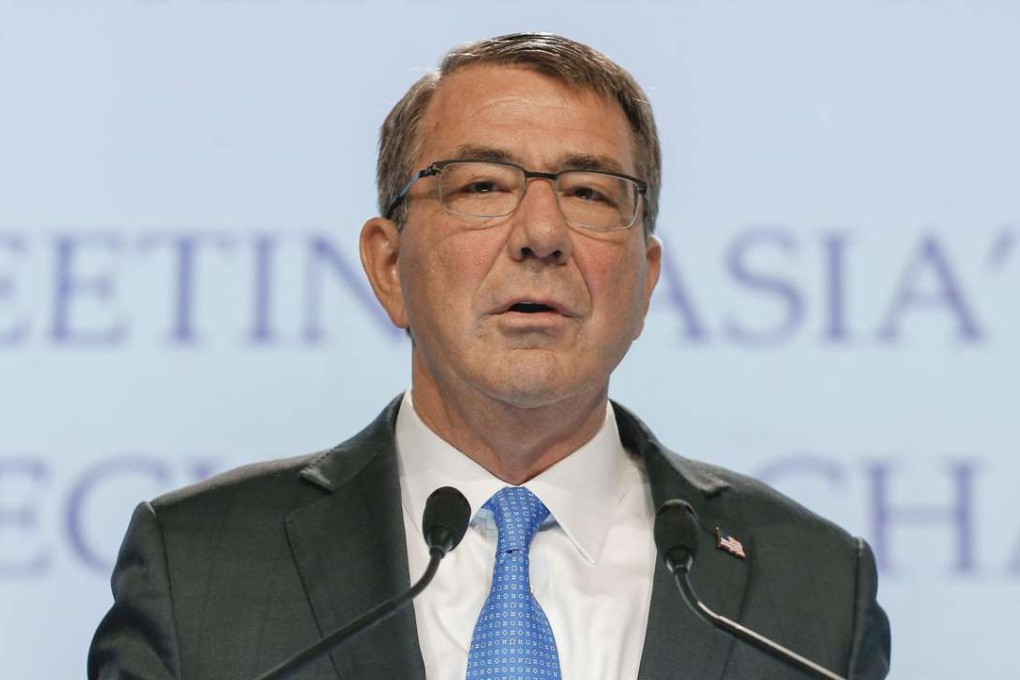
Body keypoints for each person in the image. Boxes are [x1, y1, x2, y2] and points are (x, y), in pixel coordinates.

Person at [88, 33, 891, 679]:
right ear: (389, 267)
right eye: (481, 187)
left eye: (588, 193)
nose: (542, 235)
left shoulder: (811, 593)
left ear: (644, 282)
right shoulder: (199, 571)